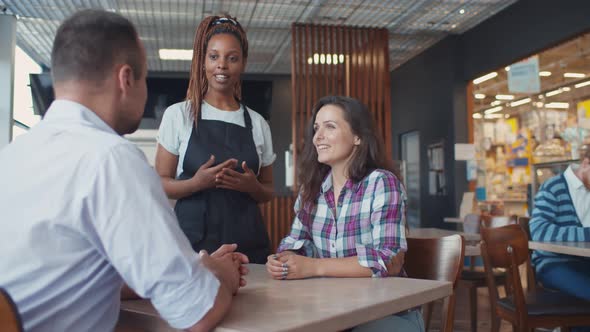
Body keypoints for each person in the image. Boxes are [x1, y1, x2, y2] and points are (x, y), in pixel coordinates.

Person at [0, 10, 248, 332]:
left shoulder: (12, 156)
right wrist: (221, 276)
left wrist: (195, 266)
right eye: (145, 78)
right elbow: (197, 313)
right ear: (126, 79)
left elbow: (77, 277)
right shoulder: (112, 159)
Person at [266, 96, 422, 332]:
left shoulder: (381, 183)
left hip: (383, 314)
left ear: (358, 136)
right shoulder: (311, 190)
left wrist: (313, 267)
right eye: (316, 128)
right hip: (330, 310)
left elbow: (388, 259)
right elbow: (296, 243)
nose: (318, 137)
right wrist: (284, 261)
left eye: (330, 126)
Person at [156, 15, 275, 264]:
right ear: (203, 61)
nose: (222, 65)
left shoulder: (258, 123)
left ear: (242, 64)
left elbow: (268, 190)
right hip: (193, 248)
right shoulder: (179, 115)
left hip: (247, 247)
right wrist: (197, 183)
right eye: (214, 57)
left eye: (232, 58)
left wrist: (252, 187)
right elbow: (160, 183)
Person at [529, 144, 590, 304]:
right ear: (586, 163)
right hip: (553, 263)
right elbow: (539, 232)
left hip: (584, 262)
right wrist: (587, 234)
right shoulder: (553, 187)